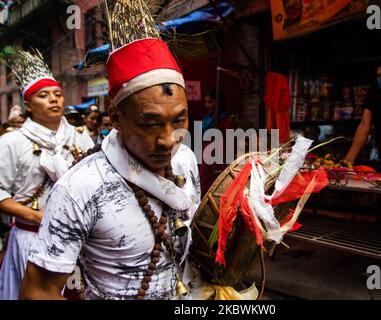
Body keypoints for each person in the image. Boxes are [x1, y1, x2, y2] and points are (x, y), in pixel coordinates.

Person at [21, 0, 201, 300]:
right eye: (150, 123)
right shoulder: (79, 188)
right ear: (115, 118)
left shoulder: (185, 160)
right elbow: (37, 291)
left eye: (179, 120)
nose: (168, 140)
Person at [0, 48, 94, 300]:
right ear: (28, 105)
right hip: (30, 238)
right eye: (44, 95)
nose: (53, 100)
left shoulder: (80, 137)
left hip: (78, 240)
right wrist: (33, 214)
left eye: (58, 94)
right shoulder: (12, 142)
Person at [199, 89, 234, 196]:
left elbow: (230, 141)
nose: (207, 105)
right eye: (205, 102)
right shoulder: (208, 118)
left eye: (210, 102)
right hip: (205, 158)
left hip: (216, 160)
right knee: (203, 184)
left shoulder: (225, 119)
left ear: (218, 102)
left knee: (214, 187)